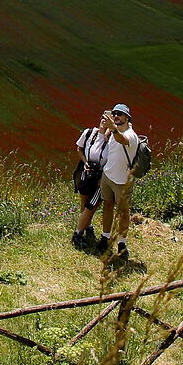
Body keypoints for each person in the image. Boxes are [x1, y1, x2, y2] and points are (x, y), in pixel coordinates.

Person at [73, 104, 139, 262]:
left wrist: (113, 129)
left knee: (123, 212)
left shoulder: (130, 135)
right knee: (108, 206)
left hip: (123, 181)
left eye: (120, 114)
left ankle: (122, 244)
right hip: (107, 178)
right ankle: (105, 237)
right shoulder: (111, 132)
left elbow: (121, 140)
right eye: (115, 113)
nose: (116, 116)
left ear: (127, 118)